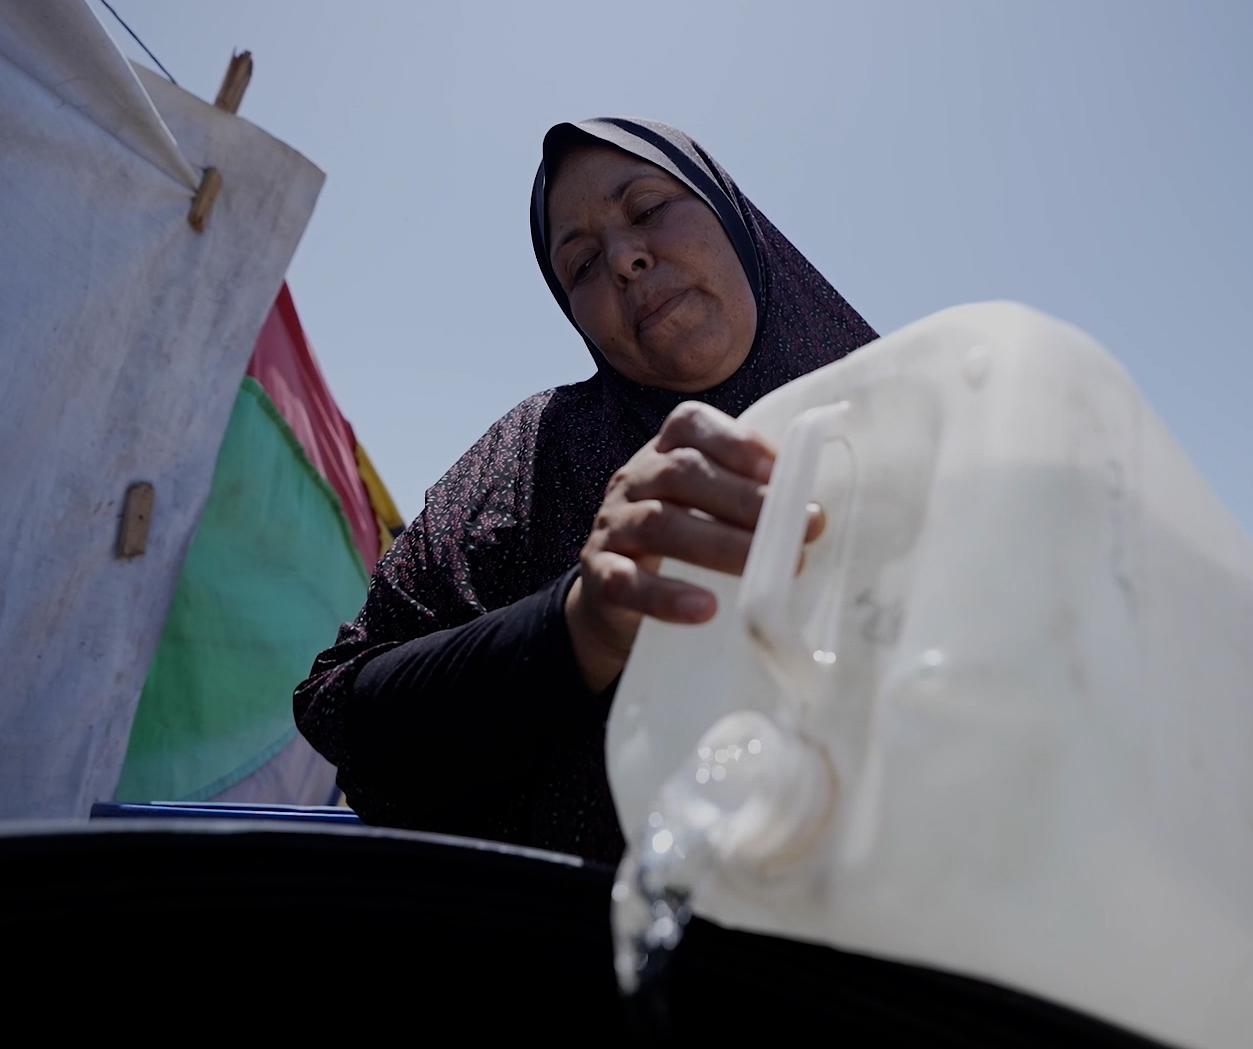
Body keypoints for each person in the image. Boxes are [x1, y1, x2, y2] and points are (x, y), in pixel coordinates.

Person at [294, 118, 876, 862]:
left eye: (647, 209)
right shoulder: (532, 460)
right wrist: (577, 625)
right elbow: (343, 715)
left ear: (734, 218)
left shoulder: (924, 426)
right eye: (581, 266)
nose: (626, 259)